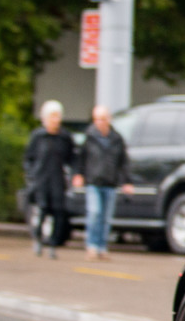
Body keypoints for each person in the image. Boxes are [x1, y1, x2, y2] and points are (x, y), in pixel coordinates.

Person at [72, 105, 134, 260]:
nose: (99, 122)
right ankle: (92, 245)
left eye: (102, 119)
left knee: (106, 218)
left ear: (109, 119)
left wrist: (127, 181)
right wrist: (78, 174)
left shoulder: (117, 138)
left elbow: (123, 162)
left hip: (110, 183)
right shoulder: (89, 136)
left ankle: (102, 247)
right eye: (97, 119)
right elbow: (81, 157)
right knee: (94, 213)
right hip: (93, 182)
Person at [23, 100, 77, 259]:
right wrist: (31, 174)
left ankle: (53, 244)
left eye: (57, 116)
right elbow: (28, 158)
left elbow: (72, 159)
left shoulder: (65, 137)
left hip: (58, 181)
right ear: (45, 118)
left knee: (59, 213)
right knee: (42, 211)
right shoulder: (38, 136)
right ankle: (38, 239)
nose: (55, 120)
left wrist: (74, 175)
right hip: (41, 180)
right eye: (52, 116)